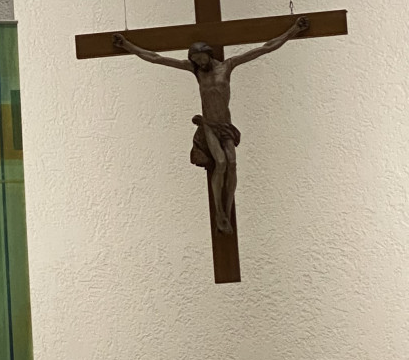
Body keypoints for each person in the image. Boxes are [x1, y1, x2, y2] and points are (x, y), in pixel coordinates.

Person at [113, 15, 309, 233]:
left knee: (232, 163)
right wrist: (128, 46)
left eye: (202, 59)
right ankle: (219, 212)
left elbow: (265, 48)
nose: (200, 63)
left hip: (225, 126)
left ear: (209, 54)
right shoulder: (196, 72)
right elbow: (156, 58)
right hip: (210, 126)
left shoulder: (227, 66)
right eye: (196, 60)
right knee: (221, 163)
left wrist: (293, 30)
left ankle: (227, 208)